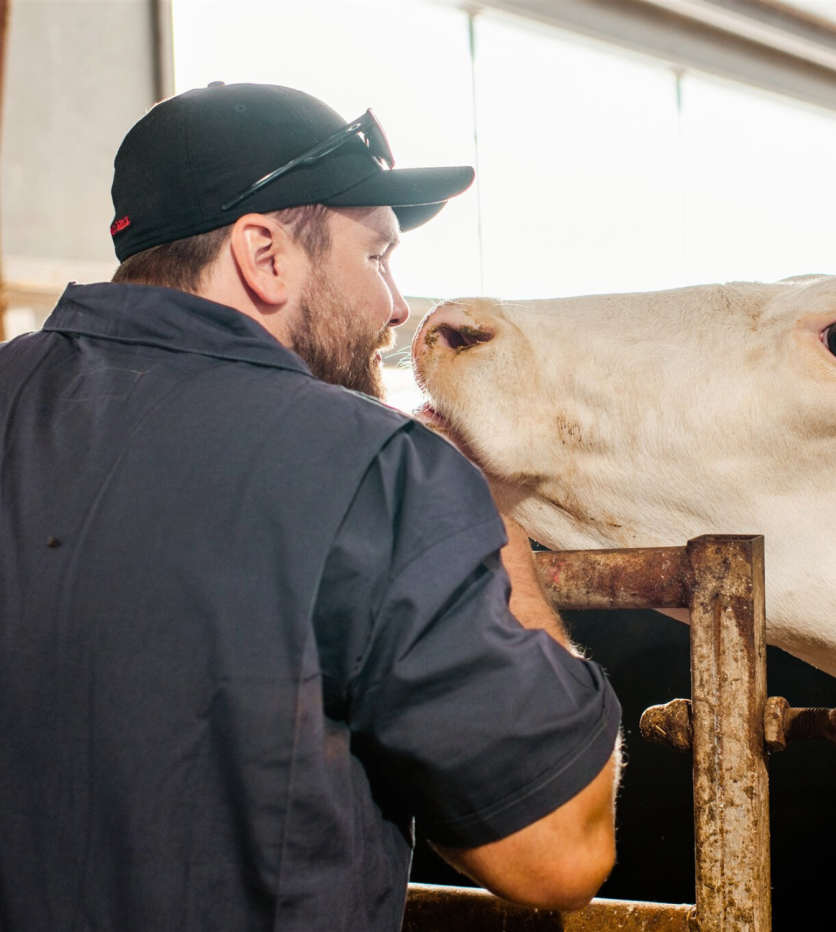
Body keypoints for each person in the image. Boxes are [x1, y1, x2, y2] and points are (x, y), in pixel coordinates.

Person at [0, 83, 622, 932]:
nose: (396, 307)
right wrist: (487, 522)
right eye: (376, 257)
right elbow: (558, 852)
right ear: (265, 256)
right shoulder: (375, 468)